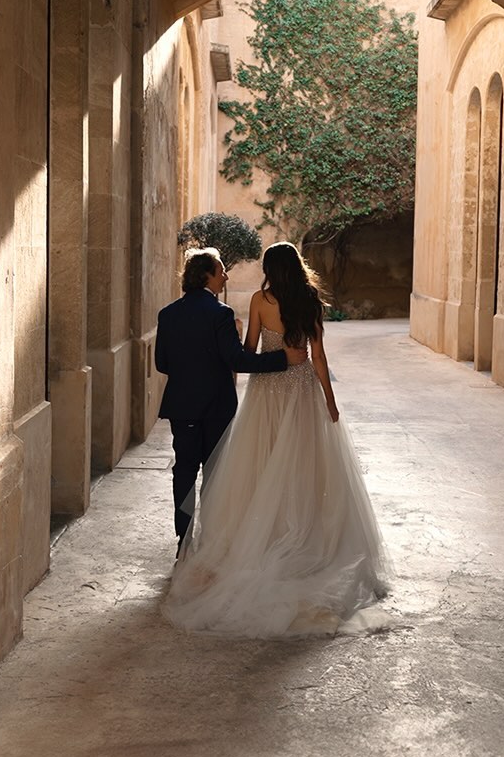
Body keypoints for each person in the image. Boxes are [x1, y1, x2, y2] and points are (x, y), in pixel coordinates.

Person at [163, 241, 391, 638]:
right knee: (304, 463)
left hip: (267, 394)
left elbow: (248, 349)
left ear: (269, 268)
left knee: (261, 463)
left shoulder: (258, 300)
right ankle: (302, 533)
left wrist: (241, 360)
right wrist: (330, 401)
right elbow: (318, 357)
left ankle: (243, 537)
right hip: (302, 391)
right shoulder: (309, 301)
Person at [155, 247, 289, 554]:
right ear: (206, 275)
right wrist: (283, 358)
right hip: (216, 406)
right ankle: (211, 539)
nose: (226, 276)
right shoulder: (221, 314)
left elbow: (162, 363)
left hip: (182, 405)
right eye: (221, 270)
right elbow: (238, 360)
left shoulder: (168, 314)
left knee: (184, 471)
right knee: (216, 473)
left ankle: (184, 540)